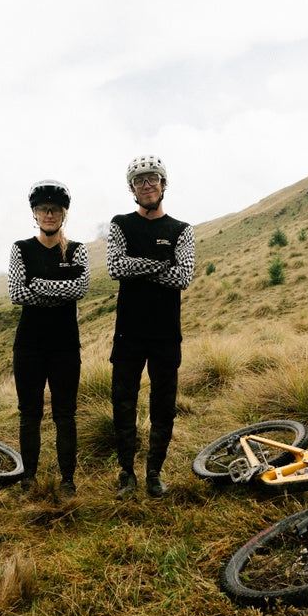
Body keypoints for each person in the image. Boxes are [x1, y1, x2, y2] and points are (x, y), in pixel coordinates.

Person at [106, 155, 195, 498]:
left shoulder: (181, 230)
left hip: (165, 334)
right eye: (139, 181)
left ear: (164, 184)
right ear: (132, 189)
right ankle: (126, 473)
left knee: (163, 405)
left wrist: (138, 267)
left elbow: (183, 276)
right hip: (128, 332)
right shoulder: (120, 224)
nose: (146, 185)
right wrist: (161, 263)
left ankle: (154, 473)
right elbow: (115, 267)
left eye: (152, 178)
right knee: (123, 402)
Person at [7, 179, 89, 498]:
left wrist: (38, 285)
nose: (49, 214)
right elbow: (17, 293)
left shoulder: (77, 250)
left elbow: (80, 288)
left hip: (65, 346)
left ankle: (67, 480)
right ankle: (28, 479)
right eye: (43, 208)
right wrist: (60, 291)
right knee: (29, 414)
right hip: (29, 345)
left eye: (55, 209)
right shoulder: (21, 249)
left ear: (64, 213)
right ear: (35, 213)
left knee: (65, 414)